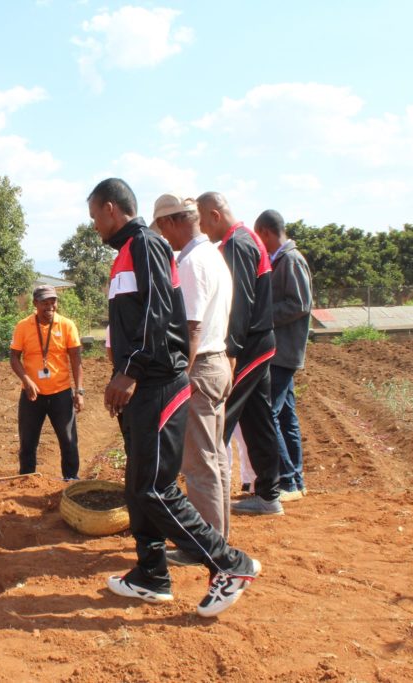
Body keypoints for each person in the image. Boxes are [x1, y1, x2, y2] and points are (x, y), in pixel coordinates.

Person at [89, 178, 260, 617]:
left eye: (94, 217)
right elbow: (130, 323)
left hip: (158, 382)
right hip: (140, 386)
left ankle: (230, 564)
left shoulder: (146, 244)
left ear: (111, 209)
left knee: (155, 488)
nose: (94, 227)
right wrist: (121, 373)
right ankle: (151, 575)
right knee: (137, 486)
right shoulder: (128, 253)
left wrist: (130, 372)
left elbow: (157, 314)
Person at [150, 194, 234, 554]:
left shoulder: (191, 262)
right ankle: (217, 536)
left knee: (198, 463)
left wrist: (180, 375)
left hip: (199, 367)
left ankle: (205, 544)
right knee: (214, 457)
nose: (164, 239)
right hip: (217, 363)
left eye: (163, 230)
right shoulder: (213, 256)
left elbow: (192, 327)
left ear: (171, 222)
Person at [197, 191, 284, 516]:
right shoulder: (247, 239)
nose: (203, 230)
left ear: (215, 215)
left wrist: (230, 352)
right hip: (260, 342)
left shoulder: (237, 244)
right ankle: (268, 495)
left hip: (248, 347)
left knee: (220, 418)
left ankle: (207, 503)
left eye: (204, 222)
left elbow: (240, 305)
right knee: (258, 418)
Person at [254, 209, 312, 502]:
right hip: (282, 351)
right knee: (286, 416)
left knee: (269, 415)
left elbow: (299, 304)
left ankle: (287, 480)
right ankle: (296, 481)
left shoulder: (290, 260)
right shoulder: (283, 260)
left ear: (265, 232)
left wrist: (263, 314)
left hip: (283, 352)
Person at [9, 284, 84, 480]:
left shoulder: (67, 325)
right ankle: (27, 480)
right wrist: (26, 380)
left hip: (61, 393)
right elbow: (14, 357)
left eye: (53, 302)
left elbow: (76, 359)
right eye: (45, 302)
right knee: (28, 442)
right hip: (32, 395)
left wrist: (79, 391)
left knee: (68, 440)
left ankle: (70, 480)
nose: (50, 306)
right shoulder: (23, 326)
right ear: (35, 303)